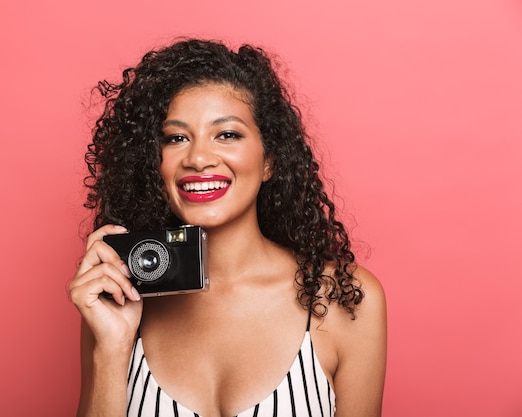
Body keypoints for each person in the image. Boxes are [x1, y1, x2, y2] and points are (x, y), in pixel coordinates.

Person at [69, 38, 387, 417]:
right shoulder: (118, 297)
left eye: (227, 134)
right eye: (177, 138)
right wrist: (111, 349)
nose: (199, 158)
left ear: (270, 160)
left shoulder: (342, 299)